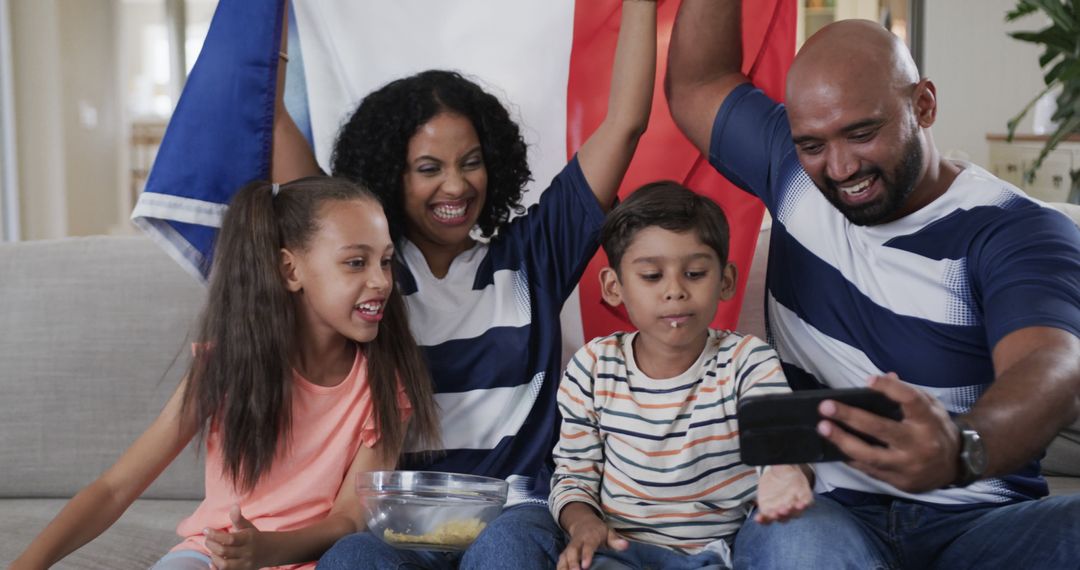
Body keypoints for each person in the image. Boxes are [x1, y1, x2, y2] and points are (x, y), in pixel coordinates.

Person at [665, 2, 1080, 568]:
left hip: (980, 520)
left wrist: (962, 447)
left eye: (861, 133)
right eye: (812, 144)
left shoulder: (1013, 227)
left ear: (923, 105)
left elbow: (1052, 368)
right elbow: (698, 80)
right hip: (825, 511)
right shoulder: (792, 172)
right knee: (797, 544)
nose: (838, 168)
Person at [271, 2, 659, 568]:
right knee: (351, 557)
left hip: (513, 512)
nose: (455, 185)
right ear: (388, 174)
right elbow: (279, 126)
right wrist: (266, 28)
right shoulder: (365, 270)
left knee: (505, 552)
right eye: (429, 168)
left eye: (471, 162)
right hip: (400, 520)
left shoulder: (534, 255)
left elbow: (626, 122)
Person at [11, 178, 439, 570]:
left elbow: (348, 520)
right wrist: (27, 565)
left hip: (310, 560)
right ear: (290, 270)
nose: (381, 281)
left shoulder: (385, 383)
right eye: (355, 263)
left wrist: (268, 549)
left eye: (384, 261)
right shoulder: (226, 368)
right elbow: (116, 488)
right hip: (211, 558)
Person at [549, 182, 813, 570]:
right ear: (613, 286)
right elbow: (573, 474)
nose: (675, 291)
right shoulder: (592, 367)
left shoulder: (747, 362)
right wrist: (583, 523)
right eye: (652, 276)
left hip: (722, 551)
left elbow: (779, 446)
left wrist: (787, 472)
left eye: (694, 273)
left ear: (725, 281)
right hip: (621, 550)